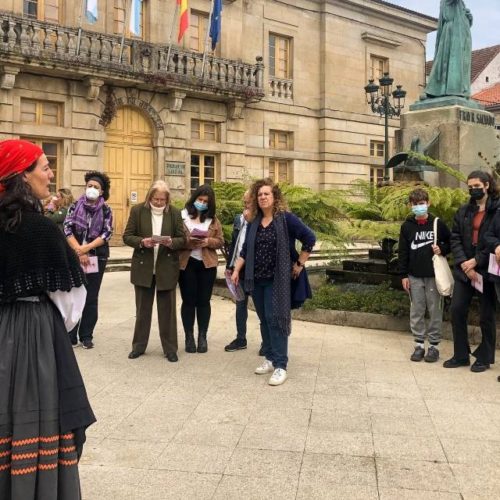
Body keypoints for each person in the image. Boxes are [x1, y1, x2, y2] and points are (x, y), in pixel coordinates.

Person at [0, 139, 95, 498]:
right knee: (34, 417)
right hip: (33, 334)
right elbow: (72, 303)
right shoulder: (41, 230)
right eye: (44, 166)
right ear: (22, 177)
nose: (51, 173)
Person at [231, 178, 316, 386]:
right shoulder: (254, 221)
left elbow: (309, 237)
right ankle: (269, 358)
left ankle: (280, 364)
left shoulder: (285, 219)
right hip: (255, 278)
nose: (262, 197)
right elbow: (244, 250)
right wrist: (237, 269)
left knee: (275, 319)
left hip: (276, 280)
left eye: (266, 194)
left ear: (274, 197)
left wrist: (300, 263)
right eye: (259, 195)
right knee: (263, 319)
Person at [123, 180, 186, 362]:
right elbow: (127, 236)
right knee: (142, 310)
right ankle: (138, 346)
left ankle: (170, 349)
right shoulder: (137, 211)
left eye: (162, 200)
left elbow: (182, 238)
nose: (158, 203)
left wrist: (171, 242)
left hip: (166, 267)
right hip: (144, 267)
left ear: (167, 199)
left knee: (167, 312)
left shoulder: (174, 213)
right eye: (155, 199)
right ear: (149, 197)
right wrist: (142, 242)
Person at [444, 171, 499, 372]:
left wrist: (477, 261)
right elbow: (455, 237)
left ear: (486, 185)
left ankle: (484, 357)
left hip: (486, 270)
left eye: (476, 185)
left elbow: (493, 240)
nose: (473, 189)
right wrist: (465, 263)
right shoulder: (464, 210)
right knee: (457, 309)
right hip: (465, 269)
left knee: (486, 315)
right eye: (469, 186)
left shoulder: (497, 210)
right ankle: (461, 355)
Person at [398, 188, 451, 363]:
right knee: (417, 309)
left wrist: (441, 248)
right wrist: (403, 275)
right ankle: (419, 344)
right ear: (410, 205)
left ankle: (434, 346)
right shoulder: (407, 226)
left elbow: (451, 242)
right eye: (415, 204)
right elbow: (403, 252)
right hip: (414, 275)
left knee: (435, 310)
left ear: (428, 203)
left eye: (421, 204)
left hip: (433, 275)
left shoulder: (437, 223)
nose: (419, 207)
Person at [64, 170, 113, 349]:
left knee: (91, 297)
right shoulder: (74, 206)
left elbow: (107, 232)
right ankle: (71, 334)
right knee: (74, 294)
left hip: (96, 258)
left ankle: (86, 335)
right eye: (89, 186)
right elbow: (67, 229)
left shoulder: (107, 210)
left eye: (96, 187)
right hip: (75, 257)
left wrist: (87, 248)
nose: (92, 189)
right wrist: (79, 250)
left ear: (102, 192)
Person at [179, 185, 224, 353]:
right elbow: (176, 239)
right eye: (200, 200)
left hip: (207, 264)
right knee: (188, 301)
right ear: (194, 198)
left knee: (203, 302)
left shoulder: (212, 220)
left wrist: (207, 242)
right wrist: (189, 241)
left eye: (206, 202)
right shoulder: (182, 216)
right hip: (187, 263)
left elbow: (220, 240)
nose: (202, 203)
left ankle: (202, 336)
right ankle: (189, 336)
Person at [425, 0, 473, 99]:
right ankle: (440, 90)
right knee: (447, 61)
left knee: (462, 64)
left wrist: (468, 19)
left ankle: (461, 89)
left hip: (463, 34)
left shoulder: (461, 4)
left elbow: (462, 17)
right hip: (452, 32)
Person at [224, 190, 252, 352]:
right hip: (237, 270)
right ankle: (241, 338)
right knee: (240, 304)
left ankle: (266, 342)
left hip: (254, 272)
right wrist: (230, 266)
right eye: (244, 203)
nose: (246, 206)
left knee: (261, 308)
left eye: (249, 203)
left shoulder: (261, 221)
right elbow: (235, 245)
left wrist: (252, 221)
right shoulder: (238, 219)